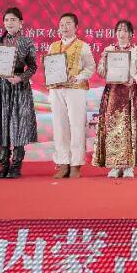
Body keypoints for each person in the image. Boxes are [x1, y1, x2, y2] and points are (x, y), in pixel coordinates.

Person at [93, 19, 137, 178]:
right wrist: (105, 61)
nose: (122, 33)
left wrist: (133, 79)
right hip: (112, 94)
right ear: (115, 33)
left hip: (129, 94)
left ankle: (128, 166)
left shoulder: (136, 51)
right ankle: (114, 165)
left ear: (131, 34)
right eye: (119, 30)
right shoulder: (108, 50)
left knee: (129, 129)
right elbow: (100, 71)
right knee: (112, 129)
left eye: (125, 30)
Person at [0, 7, 38, 179]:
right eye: (6, 20)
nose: (9, 23)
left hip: (19, 87)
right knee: (1, 123)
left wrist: (20, 78)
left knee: (19, 125)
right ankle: (3, 165)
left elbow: (33, 67)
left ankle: (16, 166)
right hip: (0, 87)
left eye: (13, 19)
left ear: (21, 22)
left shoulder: (27, 41)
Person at [45, 13, 94, 179]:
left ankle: (76, 164)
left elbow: (90, 67)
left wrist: (79, 77)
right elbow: (49, 68)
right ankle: (63, 163)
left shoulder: (83, 46)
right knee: (59, 126)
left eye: (68, 24)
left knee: (76, 125)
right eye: (61, 24)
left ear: (76, 27)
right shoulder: (53, 46)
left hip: (76, 89)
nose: (64, 27)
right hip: (56, 89)